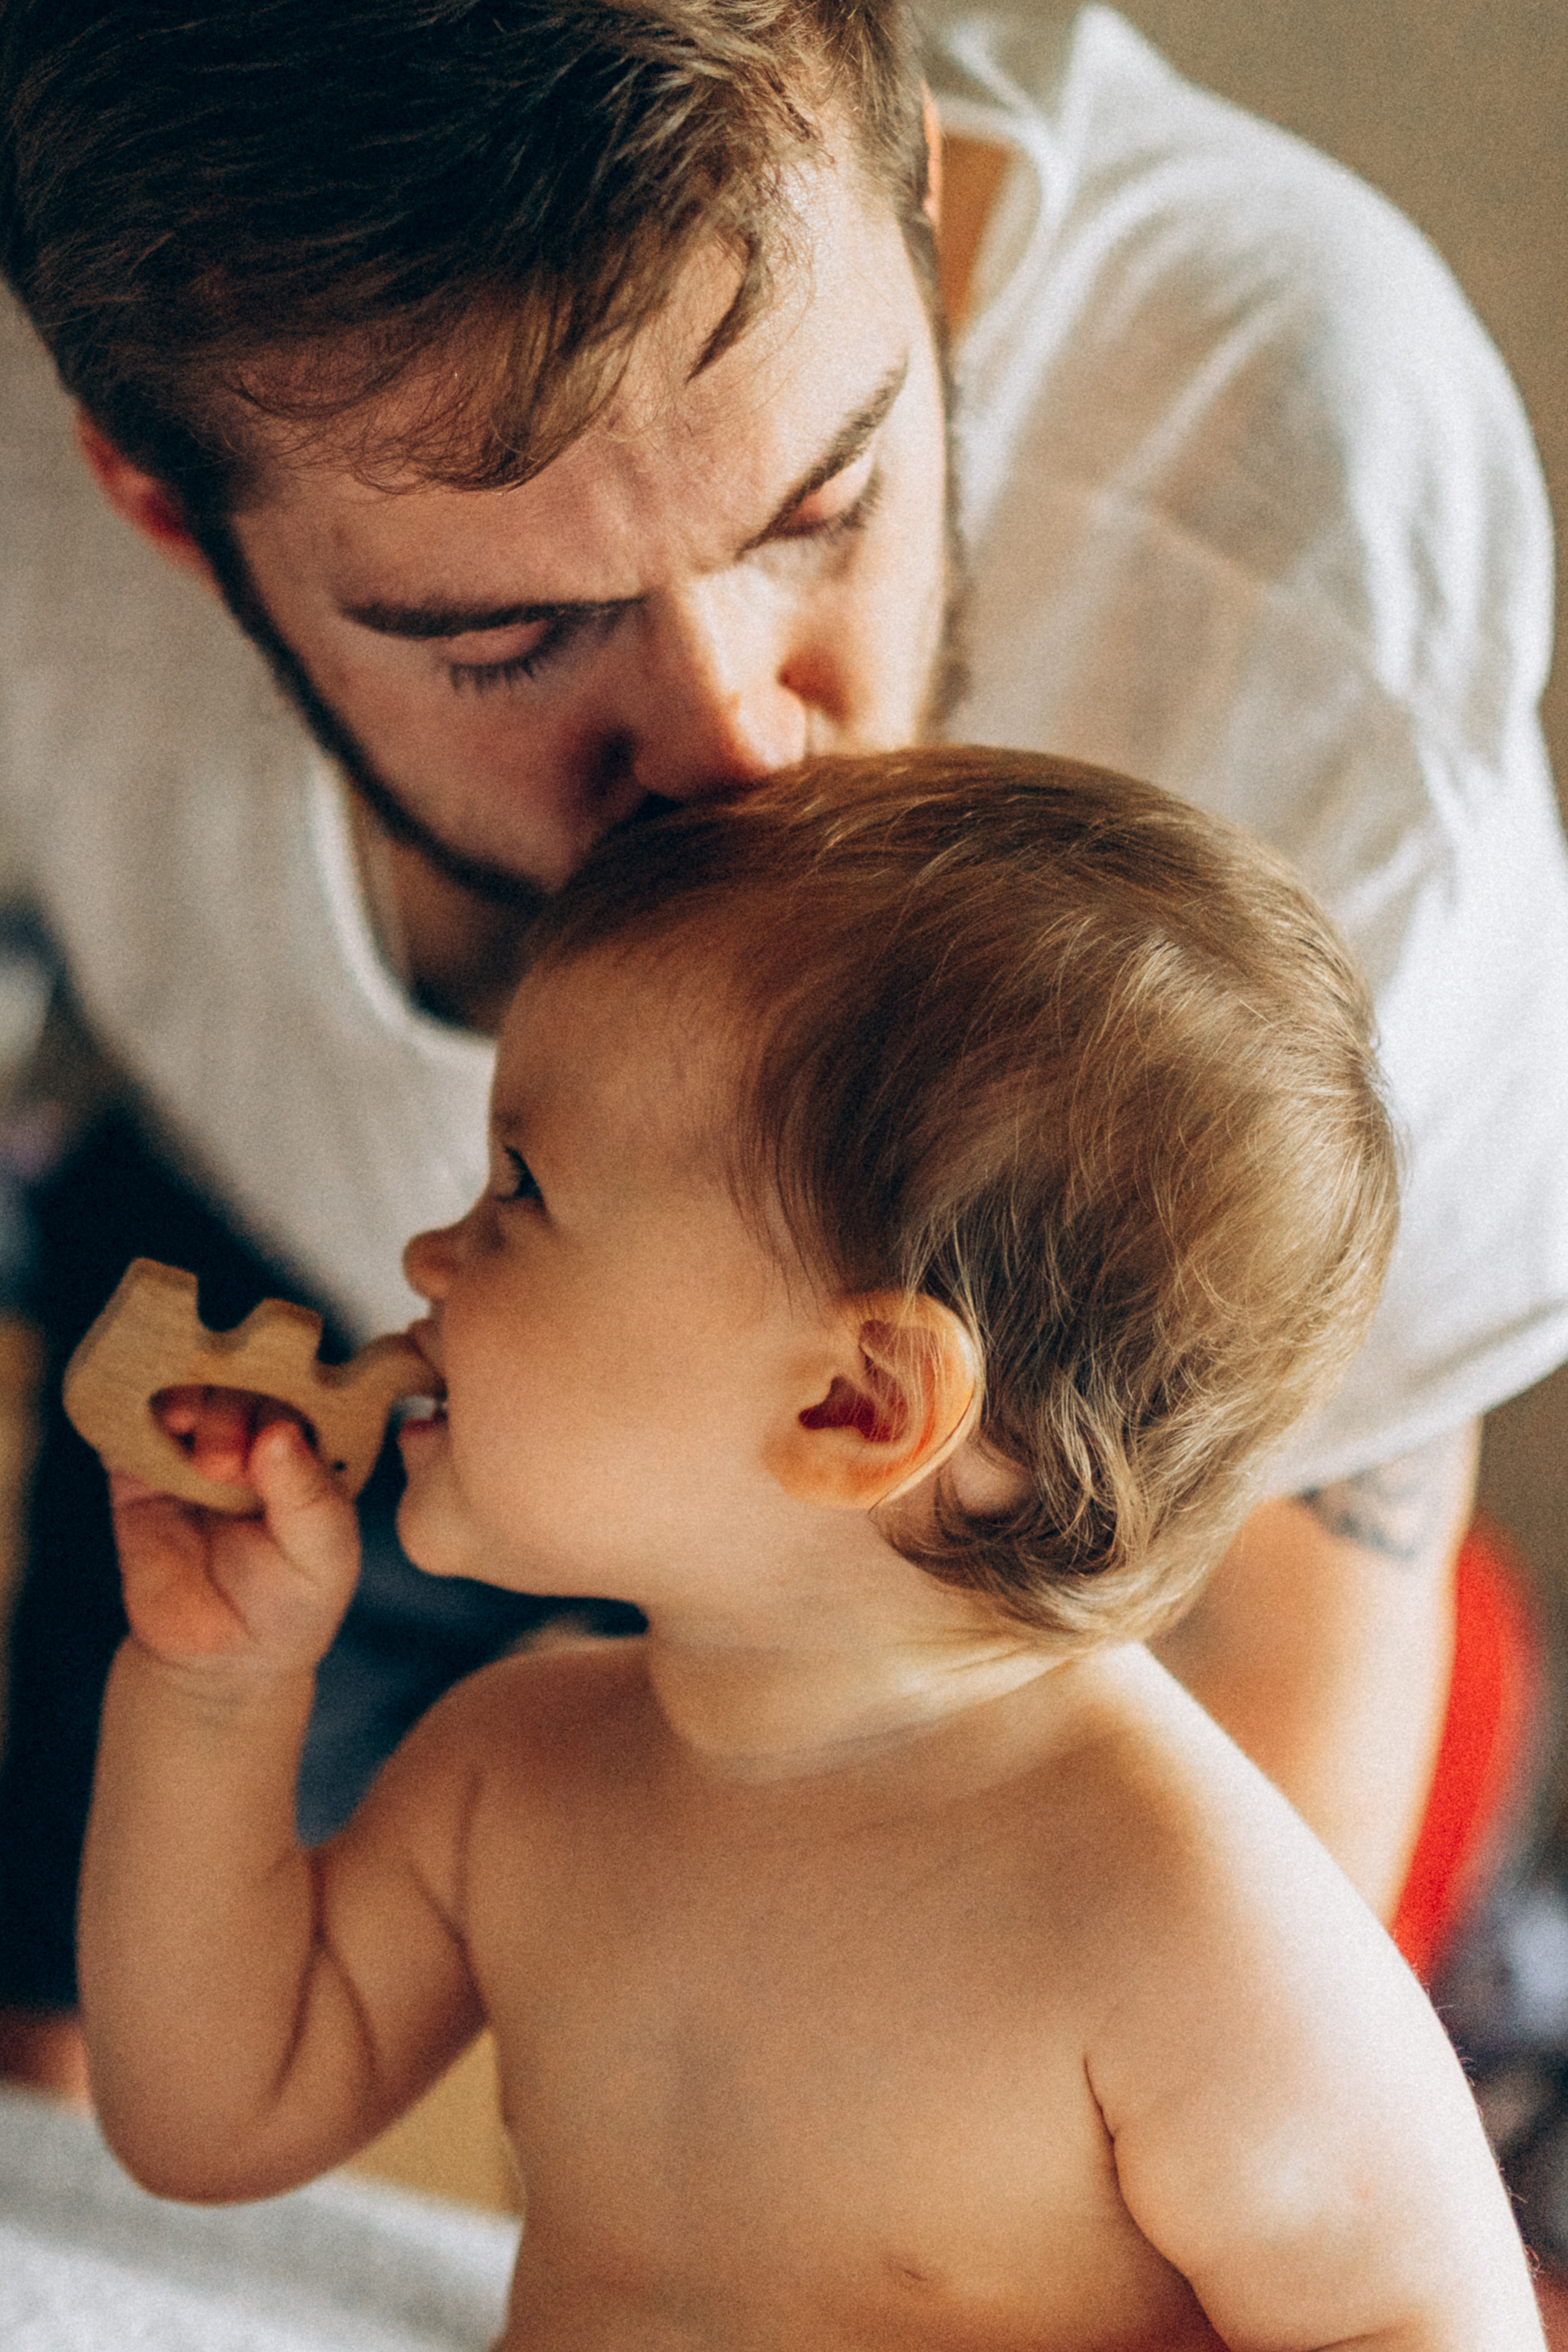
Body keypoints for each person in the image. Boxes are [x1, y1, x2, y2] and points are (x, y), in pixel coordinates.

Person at [3, 0, 1568, 2085]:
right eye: (505, 635)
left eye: (815, 507)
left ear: (917, 200)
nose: (747, 739)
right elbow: (213, 2099)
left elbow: (1305, 1586)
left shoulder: (1295, 536)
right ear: (155, 500)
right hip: (265, 1220)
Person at [77, 753, 1542, 2350]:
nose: (430, 1252)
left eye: (521, 1186)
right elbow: (214, 2117)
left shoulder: (1175, 1916)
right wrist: (218, 1689)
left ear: (854, 1402)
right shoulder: (520, 1768)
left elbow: (1419, 2324)